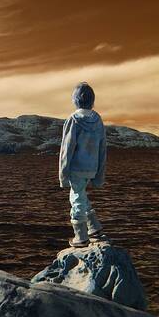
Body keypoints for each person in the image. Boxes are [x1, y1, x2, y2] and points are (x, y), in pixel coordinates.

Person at [59, 82, 108, 247]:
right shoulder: (98, 119)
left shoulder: (73, 120)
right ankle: (94, 227)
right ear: (92, 101)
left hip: (76, 168)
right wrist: (99, 175)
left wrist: (63, 174)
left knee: (76, 197)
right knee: (82, 195)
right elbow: (102, 148)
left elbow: (67, 149)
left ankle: (81, 237)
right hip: (92, 168)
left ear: (75, 100)